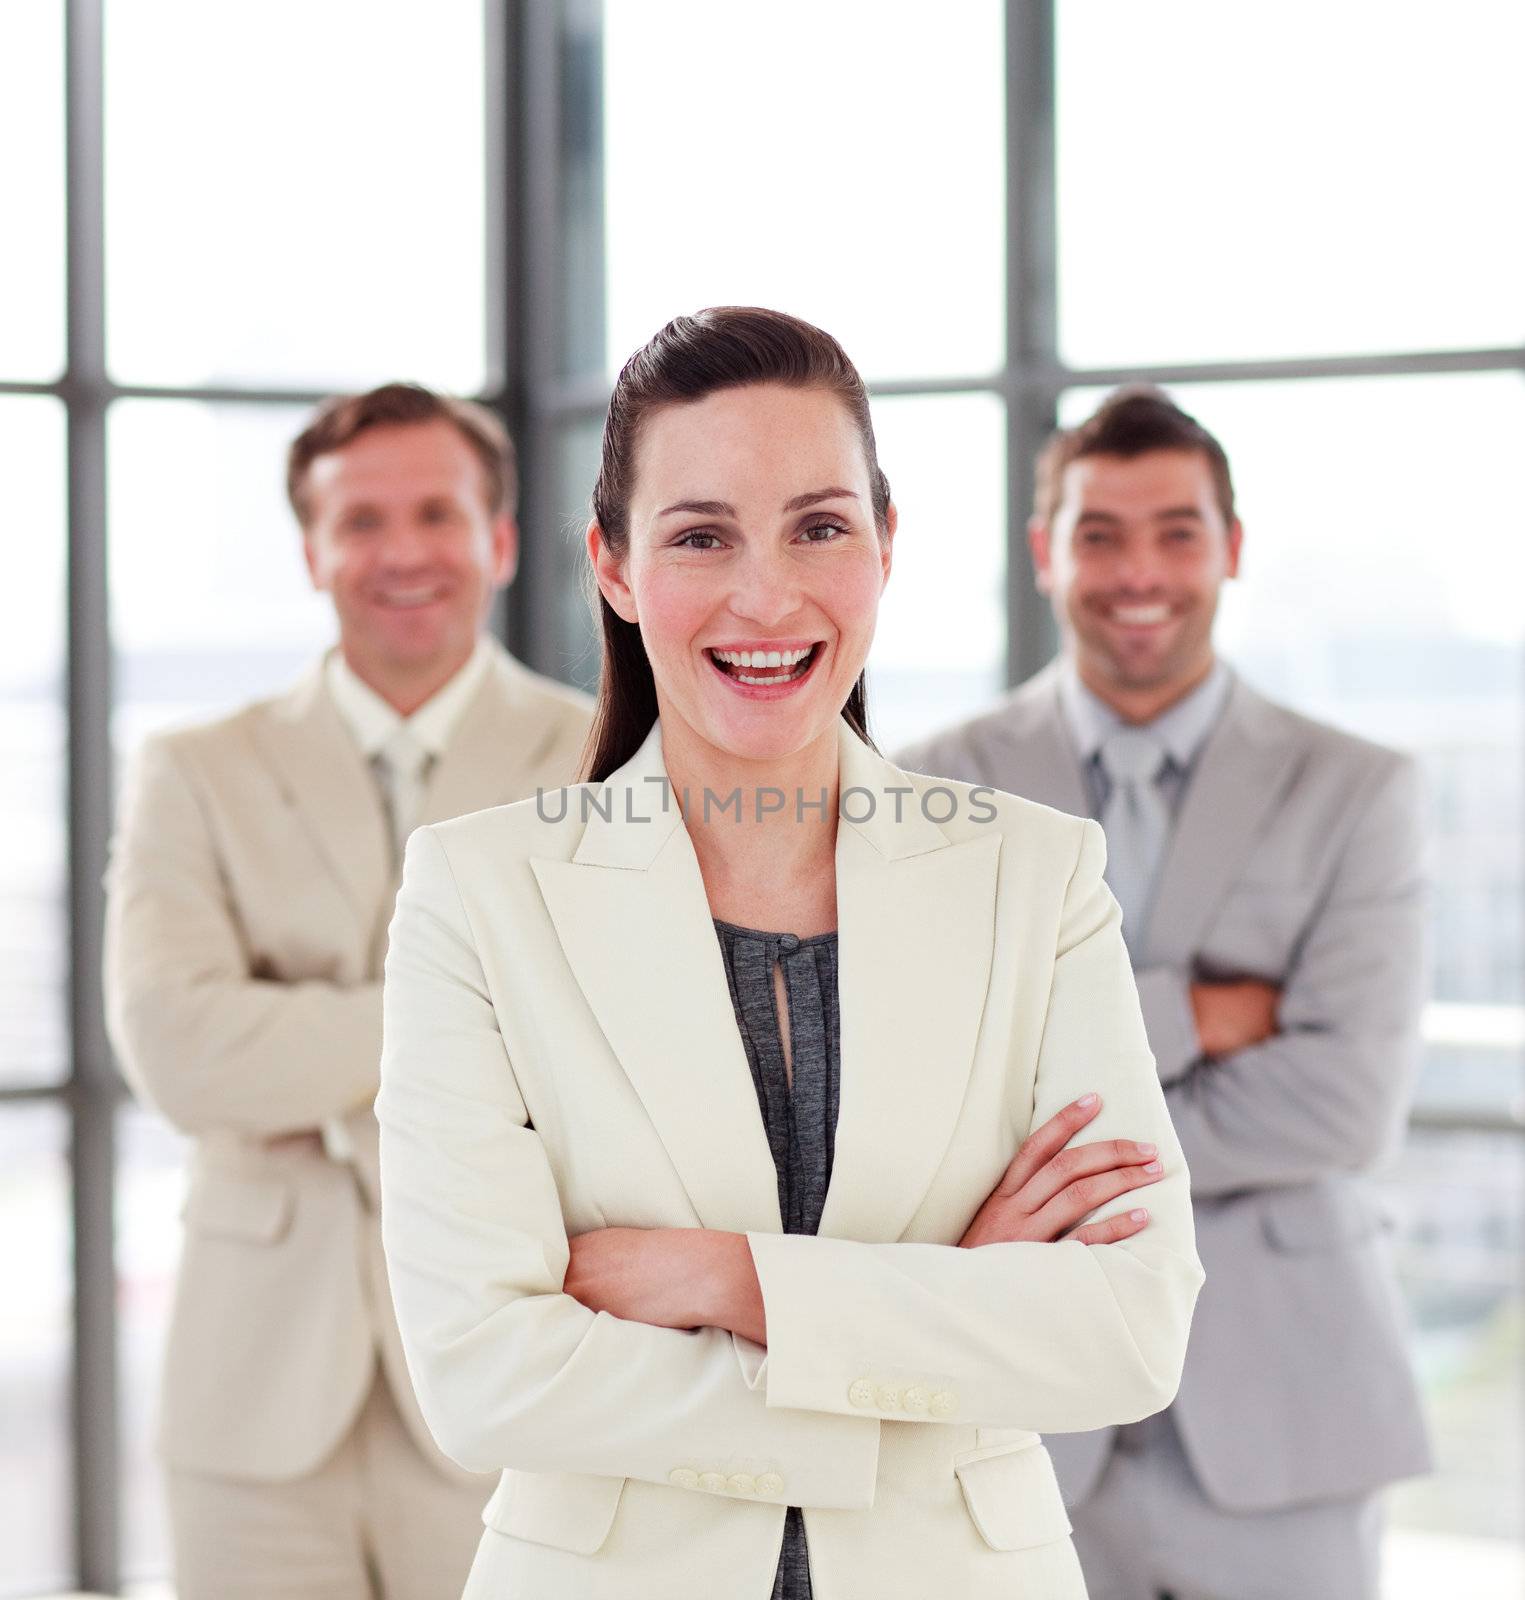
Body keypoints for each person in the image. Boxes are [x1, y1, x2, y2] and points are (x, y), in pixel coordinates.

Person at [375, 309, 1204, 1600]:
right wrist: (940, 1323)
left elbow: (1128, 1332)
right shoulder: (481, 894)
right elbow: (486, 1375)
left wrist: (734, 1281)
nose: (766, 596)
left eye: (819, 526)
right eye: (701, 536)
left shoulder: (1035, 879)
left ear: (884, 544)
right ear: (611, 566)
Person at [895, 386, 1432, 1600]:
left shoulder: (1355, 791)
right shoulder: (933, 789)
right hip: (1013, 1408)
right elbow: (927, 1087)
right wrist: (1193, 1010)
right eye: (1099, 534)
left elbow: (1345, 1106)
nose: (1139, 571)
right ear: (1044, 552)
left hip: (1286, 1407)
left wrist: (1048, 1129)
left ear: (1230, 549)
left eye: (1176, 532)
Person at [103, 382, 593, 1600]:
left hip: (516, 1366)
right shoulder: (197, 767)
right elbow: (178, 1050)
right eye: (361, 520)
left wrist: (304, 1052)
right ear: (313, 549)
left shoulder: (601, 760)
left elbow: (604, 1044)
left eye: (437, 511)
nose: (403, 550)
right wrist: (470, 1016)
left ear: (500, 538)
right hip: (253, 1391)